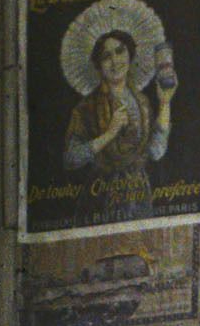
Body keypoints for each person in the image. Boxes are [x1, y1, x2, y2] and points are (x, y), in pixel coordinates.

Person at [64, 30, 174, 224]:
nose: (115, 61)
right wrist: (109, 134)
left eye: (119, 51)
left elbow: (156, 152)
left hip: (138, 195)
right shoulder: (86, 108)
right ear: (98, 65)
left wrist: (165, 103)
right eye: (107, 56)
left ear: (130, 55)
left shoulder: (142, 102)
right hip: (100, 195)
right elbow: (71, 158)